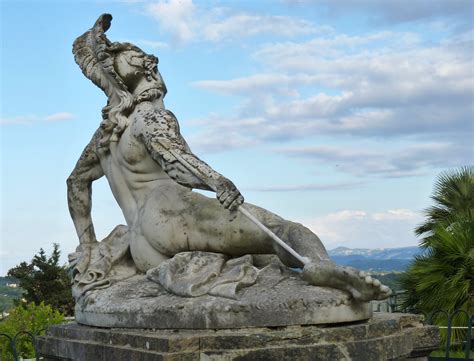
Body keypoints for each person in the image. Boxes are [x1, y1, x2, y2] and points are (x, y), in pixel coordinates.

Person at [68, 14, 390, 302]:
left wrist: (89, 245)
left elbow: (76, 183)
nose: (152, 61)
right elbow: (174, 160)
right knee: (282, 230)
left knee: (261, 256)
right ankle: (319, 266)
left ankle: (302, 265)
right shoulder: (149, 117)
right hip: (170, 214)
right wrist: (216, 181)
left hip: (143, 249)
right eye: (142, 59)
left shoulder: (107, 136)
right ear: (139, 75)